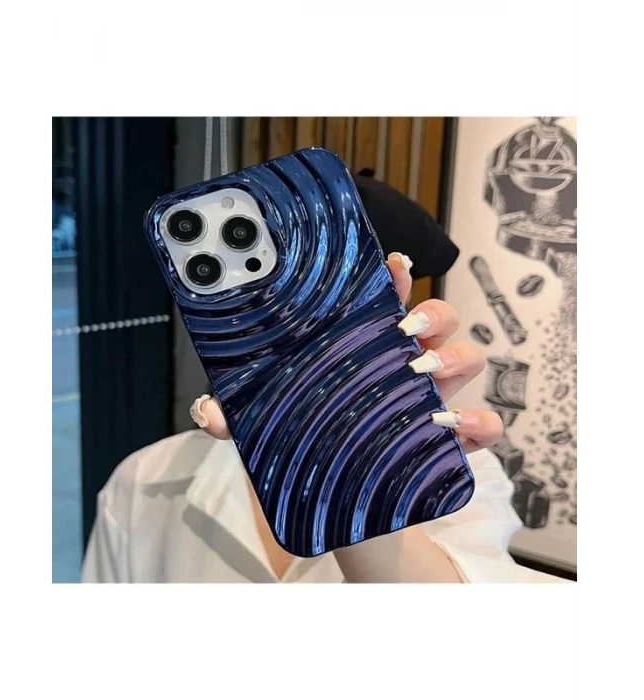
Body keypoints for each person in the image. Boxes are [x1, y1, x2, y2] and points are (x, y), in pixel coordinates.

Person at [82, 178, 567, 584]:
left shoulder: (458, 473)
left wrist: (353, 470)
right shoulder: (146, 481)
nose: (310, 334)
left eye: (351, 308)